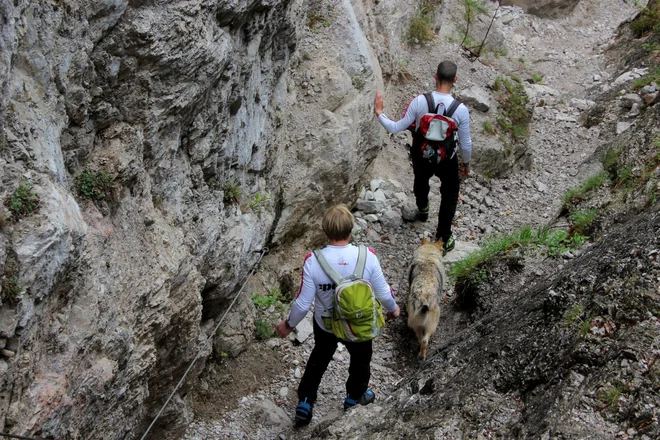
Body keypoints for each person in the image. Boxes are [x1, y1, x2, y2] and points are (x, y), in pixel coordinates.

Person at [275, 204, 400, 425]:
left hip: (326, 326)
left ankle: (305, 401)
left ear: (325, 230)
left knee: (319, 358)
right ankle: (354, 397)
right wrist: (394, 309)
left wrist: (288, 325)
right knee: (361, 361)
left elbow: (303, 304)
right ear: (351, 229)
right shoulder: (367, 256)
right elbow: (383, 292)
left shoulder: (313, 261)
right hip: (358, 324)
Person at [374, 60, 472, 255]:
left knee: (421, 181)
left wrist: (379, 113)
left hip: (421, 154)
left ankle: (423, 208)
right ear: (455, 80)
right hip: (447, 159)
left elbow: (395, 127)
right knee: (450, 194)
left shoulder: (420, 101)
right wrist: (466, 164)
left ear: (435, 76)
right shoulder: (460, 110)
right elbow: (466, 143)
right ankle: (443, 238)